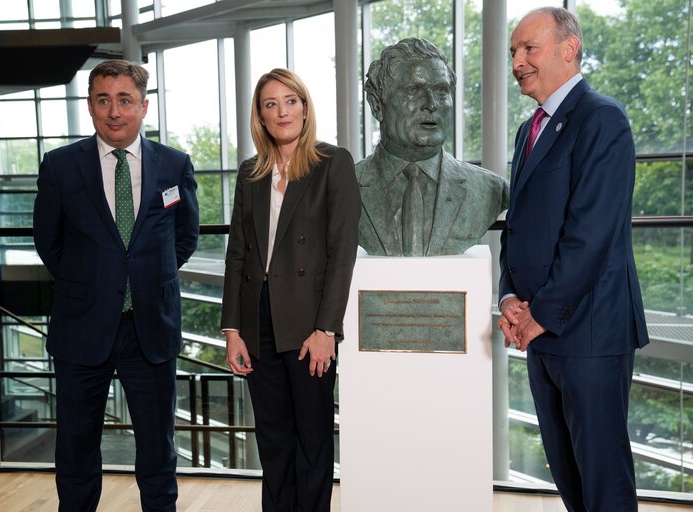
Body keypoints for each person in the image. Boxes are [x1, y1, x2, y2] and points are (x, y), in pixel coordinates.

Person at [499, 8, 649, 512]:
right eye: (513, 52)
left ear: (569, 49)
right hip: (543, 334)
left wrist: (539, 314)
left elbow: (592, 235)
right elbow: (518, 227)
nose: (518, 61)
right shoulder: (528, 132)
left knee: (603, 482)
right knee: (569, 476)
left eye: (529, 48)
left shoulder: (602, 119)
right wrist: (509, 297)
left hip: (590, 334)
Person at [33, 59, 199, 512]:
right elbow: (48, 242)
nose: (114, 111)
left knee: (158, 453)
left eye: (124, 100)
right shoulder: (61, 167)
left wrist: (144, 281)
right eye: (103, 100)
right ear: (90, 106)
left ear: (144, 106)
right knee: (76, 450)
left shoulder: (174, 165)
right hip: (82, 329)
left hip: (150, 329)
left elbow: (184, 237)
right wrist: (92, 284)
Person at [220, 68, 360, 512]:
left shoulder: (332, 163)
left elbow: (343, 254)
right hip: (257, 320)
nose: (282, 111)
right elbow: (237, 254)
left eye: (290, 100)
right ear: (260, 116)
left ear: (304, 106)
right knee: (274, 438)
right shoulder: (250, 172)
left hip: (308, 322)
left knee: (313, 438)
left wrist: (326, 330)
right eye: (270, 104)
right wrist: (232, 329)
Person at [357, 38, 508, 257]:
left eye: (441, 91)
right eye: (413, 90)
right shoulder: (342, 188)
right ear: (377, 105)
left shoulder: (492, 190)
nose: (431, 103)